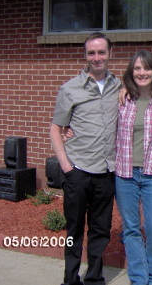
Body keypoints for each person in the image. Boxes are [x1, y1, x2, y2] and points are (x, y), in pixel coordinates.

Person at [50, 32, 121, 285]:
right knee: (74, 230)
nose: (97, 57)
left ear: (110, 54)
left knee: (100, 231)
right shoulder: (70, 89)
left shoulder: (121, 88)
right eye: (91, 52)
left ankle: (93, 278)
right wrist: (67, 168)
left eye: (101, 52)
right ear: (85, 55)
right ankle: (70, 279)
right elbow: (56, 128)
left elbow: (148, 89)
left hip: (106, 172)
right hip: (78, 170)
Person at [114, 50, 152, 285]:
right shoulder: (122, 99)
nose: (142, 72)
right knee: (130, 228)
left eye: (147, 68)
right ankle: (139, 279)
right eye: (137, 68)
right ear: (131, 72)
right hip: (126, 173)